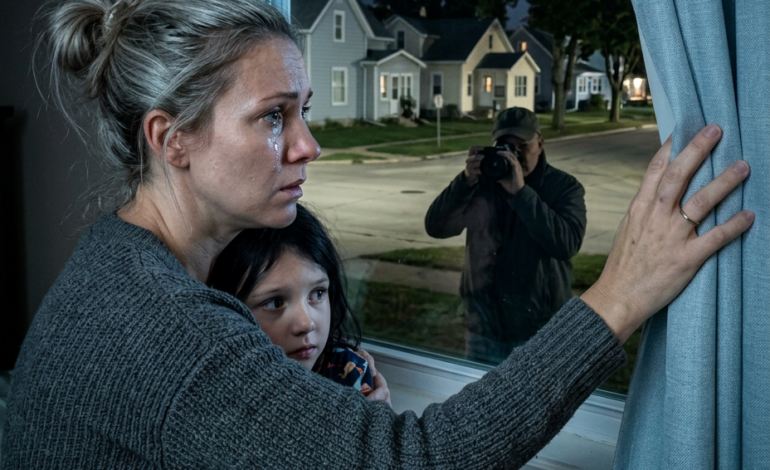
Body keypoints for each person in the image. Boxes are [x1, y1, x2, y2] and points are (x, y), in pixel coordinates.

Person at [1, 0, 754, 467]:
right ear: (173, 139)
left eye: (303, 110)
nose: (307, 145)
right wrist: (620, 295)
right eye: (273, 117)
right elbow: (416, 460)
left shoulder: (116, 261)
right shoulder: (165, 332)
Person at [425, 107, 586, 364]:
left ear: (540, 143)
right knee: (479, 403)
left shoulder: (564, 187)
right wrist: (464, 181)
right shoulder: (482, 184)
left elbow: (566, 244)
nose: (515, 153)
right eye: (505, 146)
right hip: (484, 328)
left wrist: (521, 193)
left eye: (522, 144)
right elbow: (436, 227)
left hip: (538, 332)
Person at [208, 203, 388, 401]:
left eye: (318, 293)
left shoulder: (347, 371)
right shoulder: (220, 388)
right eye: (275, 303)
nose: (306, 323)